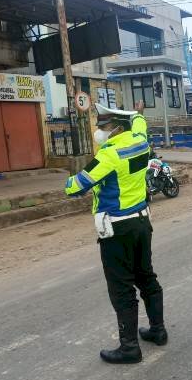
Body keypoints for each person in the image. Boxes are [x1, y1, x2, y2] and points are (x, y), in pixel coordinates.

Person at [65, 101, 167, 365]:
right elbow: (140, 122)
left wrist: (68, 181)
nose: (100, 131)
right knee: (146, 276)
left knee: (121, 288)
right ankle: (158, 330)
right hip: (142, 222)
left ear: (116, 128)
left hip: (117, 229)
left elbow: (77, 187)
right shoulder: (140, 140)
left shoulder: (109, 154)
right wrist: (139, 112)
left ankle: (129, 347)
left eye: (104, 127)